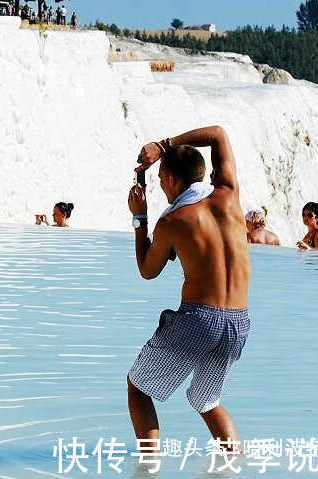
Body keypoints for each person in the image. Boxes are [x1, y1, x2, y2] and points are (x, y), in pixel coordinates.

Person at [127, 126, 250, 452]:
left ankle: (147, 471)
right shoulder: (229, 195)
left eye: (160, 181)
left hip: (200, 320)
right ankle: (232, 468)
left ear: (169, 180)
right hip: (238, 324)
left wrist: (140, 218)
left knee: (138, 387)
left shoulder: (173, 221)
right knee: (205, 398)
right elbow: (220, 134)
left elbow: (147, 270)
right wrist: (163, 145)